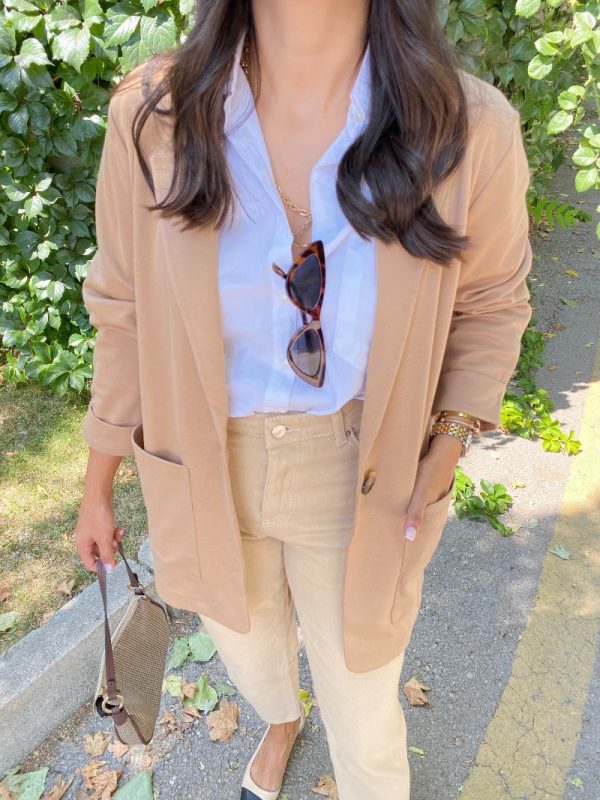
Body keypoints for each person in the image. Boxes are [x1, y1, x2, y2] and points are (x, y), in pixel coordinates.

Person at [74, 1, 533, 797]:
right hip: (204, 466)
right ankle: (282, 719)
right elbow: (123, 310)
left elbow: (492, 302)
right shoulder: (152, 118)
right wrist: (98, 480)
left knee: (363, 705)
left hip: (361, 472)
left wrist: (449, 441)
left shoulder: (466, 128)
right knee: (250, 655)